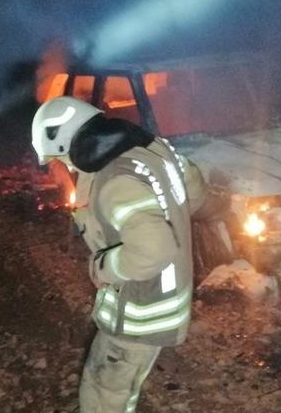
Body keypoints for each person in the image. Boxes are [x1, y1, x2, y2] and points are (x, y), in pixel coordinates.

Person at [32, 96, 208, 412]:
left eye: (60, 160)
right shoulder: (154, 150)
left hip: (142, 309)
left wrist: (104, 268)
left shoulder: (114, 182)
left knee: (104, 390)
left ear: (69, 143)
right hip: (169, 296)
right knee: (122, 389)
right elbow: (194, 191)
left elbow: (153, 248)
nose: (64, 168)